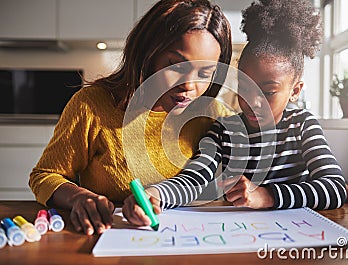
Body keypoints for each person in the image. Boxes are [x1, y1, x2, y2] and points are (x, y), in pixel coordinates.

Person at [123, 0, 348, 227]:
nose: (253, 102)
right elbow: (195, 178)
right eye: (245, 86)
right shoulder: (223, 130)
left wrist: (266, 196)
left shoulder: (302, 125)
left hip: (297, 236)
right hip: (244, 235)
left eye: (268, 91)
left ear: (295, 90)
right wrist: (155, 193)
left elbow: (333, 187)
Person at [29, 0, 232, 235]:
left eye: (205, 73)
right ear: (148, 54)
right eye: (175, 66)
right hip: (111, 237)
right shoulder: (92, 105)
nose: (189, 85)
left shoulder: (214, 115)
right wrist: (78, 197)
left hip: (188, 242)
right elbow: (44, 176)